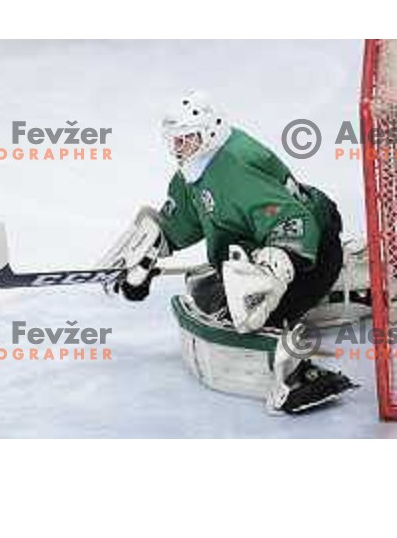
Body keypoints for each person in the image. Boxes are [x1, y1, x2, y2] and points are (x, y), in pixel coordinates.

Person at [109, 91, 354, 413]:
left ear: (211, 130)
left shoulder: (236, 166)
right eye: (175, 141)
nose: (179, 148)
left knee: (246, 311)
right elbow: (180, 221)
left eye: (187, 138)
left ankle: (298, 378)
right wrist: (146, 256)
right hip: (278, 244)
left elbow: (292, 222)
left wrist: (269, 273)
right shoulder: (198, 167)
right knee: (217, 291)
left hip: (316, 252)